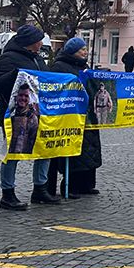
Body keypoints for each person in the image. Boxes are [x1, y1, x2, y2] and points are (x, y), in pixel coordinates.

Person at [0, 24, 57, 210]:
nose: (41, 44)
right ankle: (7, 193)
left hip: (38, 113)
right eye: (38, 40)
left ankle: (40, 188)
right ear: (30, 42)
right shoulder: (8, 58)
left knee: (44, 150)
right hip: (14, 115)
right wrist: (15, 75)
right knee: (13, 153)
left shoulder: (38, 59)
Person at [46, 37, 101, 198]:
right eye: (82, 50)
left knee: (90, 149)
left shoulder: (84, 67)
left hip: (87, 113)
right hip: (70, 113)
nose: (85, 52)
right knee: (74, 149)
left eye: (85, 49)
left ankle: (86, 184)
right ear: (73, 52)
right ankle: (71, 185)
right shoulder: (59, 66)